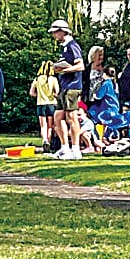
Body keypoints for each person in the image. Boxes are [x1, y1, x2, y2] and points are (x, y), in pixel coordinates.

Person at [50, 19, 84, 159]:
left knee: (71, 117)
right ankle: (65, 147)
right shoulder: (64, 47)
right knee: (58, 117)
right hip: (64, 86)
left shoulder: (72, 46)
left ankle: (76, 149)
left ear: (62, 31)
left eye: (55, 32)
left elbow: (80, 65)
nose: (53, 35)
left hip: (72, 86)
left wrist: (66, 70)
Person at [29, 60, 59, 149]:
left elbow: (31, 93)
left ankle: (44, 140)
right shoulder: (53, 79)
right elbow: (57, 92)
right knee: (50, 126)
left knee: (43, 125)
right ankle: (49, 143)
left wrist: (39, 95)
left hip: (40, 103)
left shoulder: (37, 79)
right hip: (51, 103)